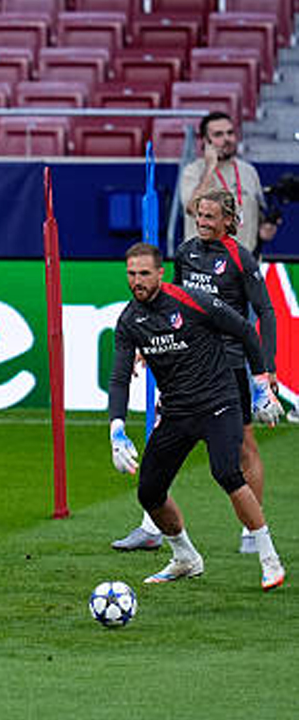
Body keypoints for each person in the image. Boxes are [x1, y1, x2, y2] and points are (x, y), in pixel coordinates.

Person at [112, 190, 283, 554]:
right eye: (199, 216)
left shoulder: (241, 259)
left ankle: (251, 531)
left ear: (228, 221)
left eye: (210, 217)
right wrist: (148, 341)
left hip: (230, 363)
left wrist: (265, 371)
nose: (203, 223)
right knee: (166, 433)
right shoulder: (187, 252)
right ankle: (151, 524)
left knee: (243, 447)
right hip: (186, 359)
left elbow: (265, 313)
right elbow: (170, 299)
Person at [179, 111, 278, 258]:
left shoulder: (248, 171)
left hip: (245, 266)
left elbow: (256, 216)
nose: (227, 139)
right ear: (206, 142)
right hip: (206, 266)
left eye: (230, 133)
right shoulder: (193, 171)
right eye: (218, 135)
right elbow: (193, 208)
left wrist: (265, 228)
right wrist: (211, 166)